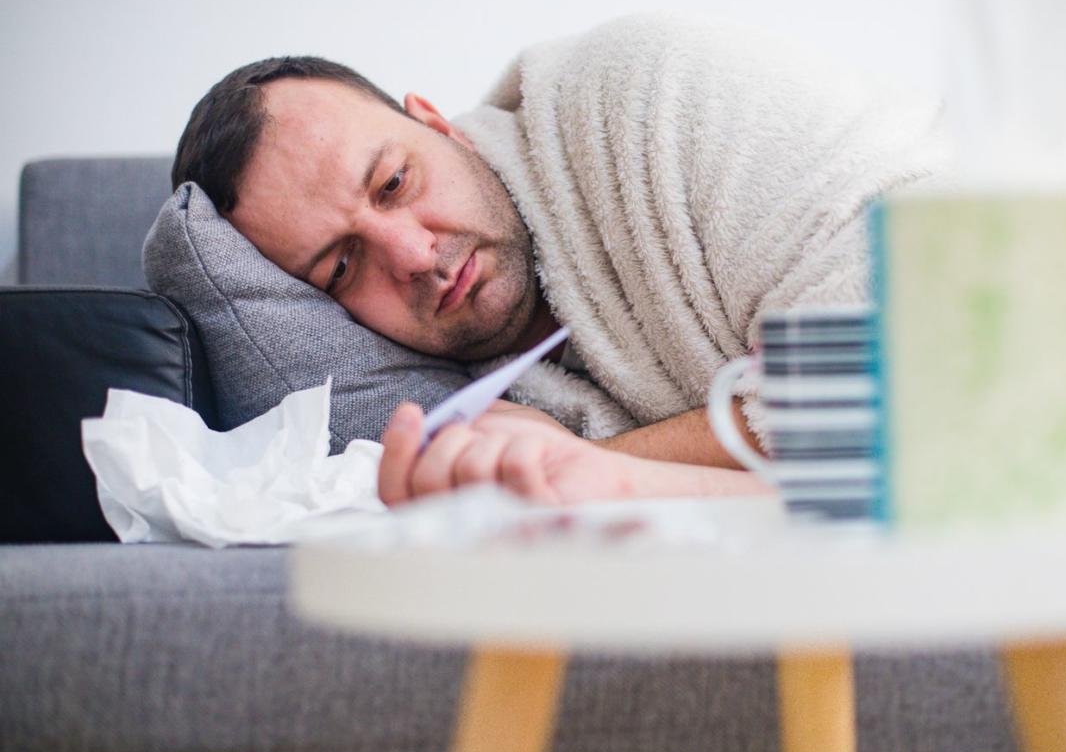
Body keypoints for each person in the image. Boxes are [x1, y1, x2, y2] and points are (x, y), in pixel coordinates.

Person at [172, 55, 774, 506]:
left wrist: (590, 465)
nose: (413, 254)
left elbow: (863, 384)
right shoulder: (473, 418)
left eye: (393, 184)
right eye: (342, 268)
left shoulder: (657, 97)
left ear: (438, 124)